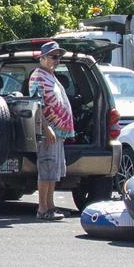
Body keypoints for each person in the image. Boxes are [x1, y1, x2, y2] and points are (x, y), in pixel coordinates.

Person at [31, 42, 76, 221]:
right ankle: (43, 209)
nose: (56, 60)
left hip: (59, 132)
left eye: (58, 57)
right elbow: (37, 104)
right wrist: (46, 127)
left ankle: (50, 206)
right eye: (53, 56)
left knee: (54, 171)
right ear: (42, 58)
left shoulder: (52, 76)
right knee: (47, 167)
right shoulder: (38, 77)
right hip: (48, 130)